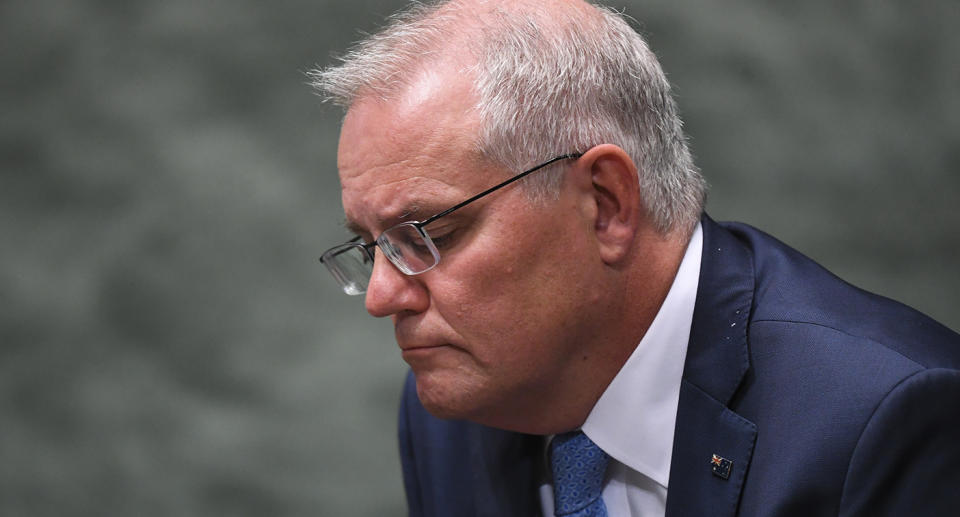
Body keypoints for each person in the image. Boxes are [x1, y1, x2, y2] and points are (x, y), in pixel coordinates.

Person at [311, 0, 960, 515]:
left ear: (606, 203)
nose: (381, 296)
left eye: (433, 233)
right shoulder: (451, 417)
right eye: (374, 248)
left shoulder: (882, 421)